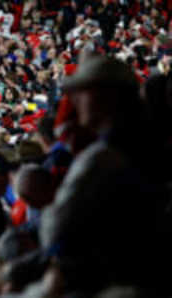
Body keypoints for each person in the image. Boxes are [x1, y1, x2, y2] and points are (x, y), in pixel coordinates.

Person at [40, 56, 168, 295]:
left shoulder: (103, 158)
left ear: (106, 96)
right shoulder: (153, 140)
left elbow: (54, 231)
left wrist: (48, 201)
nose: (74, 101)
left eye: (82, 93)